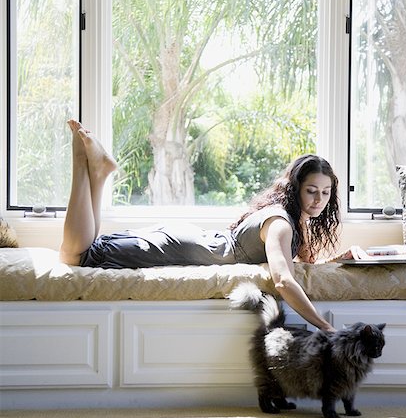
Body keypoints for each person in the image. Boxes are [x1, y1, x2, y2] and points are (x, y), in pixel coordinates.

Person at [60, 120, 340, 332]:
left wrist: (342, 259)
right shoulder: (281, 223)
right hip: (185, 247)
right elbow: (283, 280)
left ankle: (98, 173)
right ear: (296, 189)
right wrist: (324, 326)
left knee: (91, 250)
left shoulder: (287, 217)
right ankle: (81, 161)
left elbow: (304, 261)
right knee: (79, 256)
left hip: (194, 241)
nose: (319, 200)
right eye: (312, 191)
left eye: (325, 193)